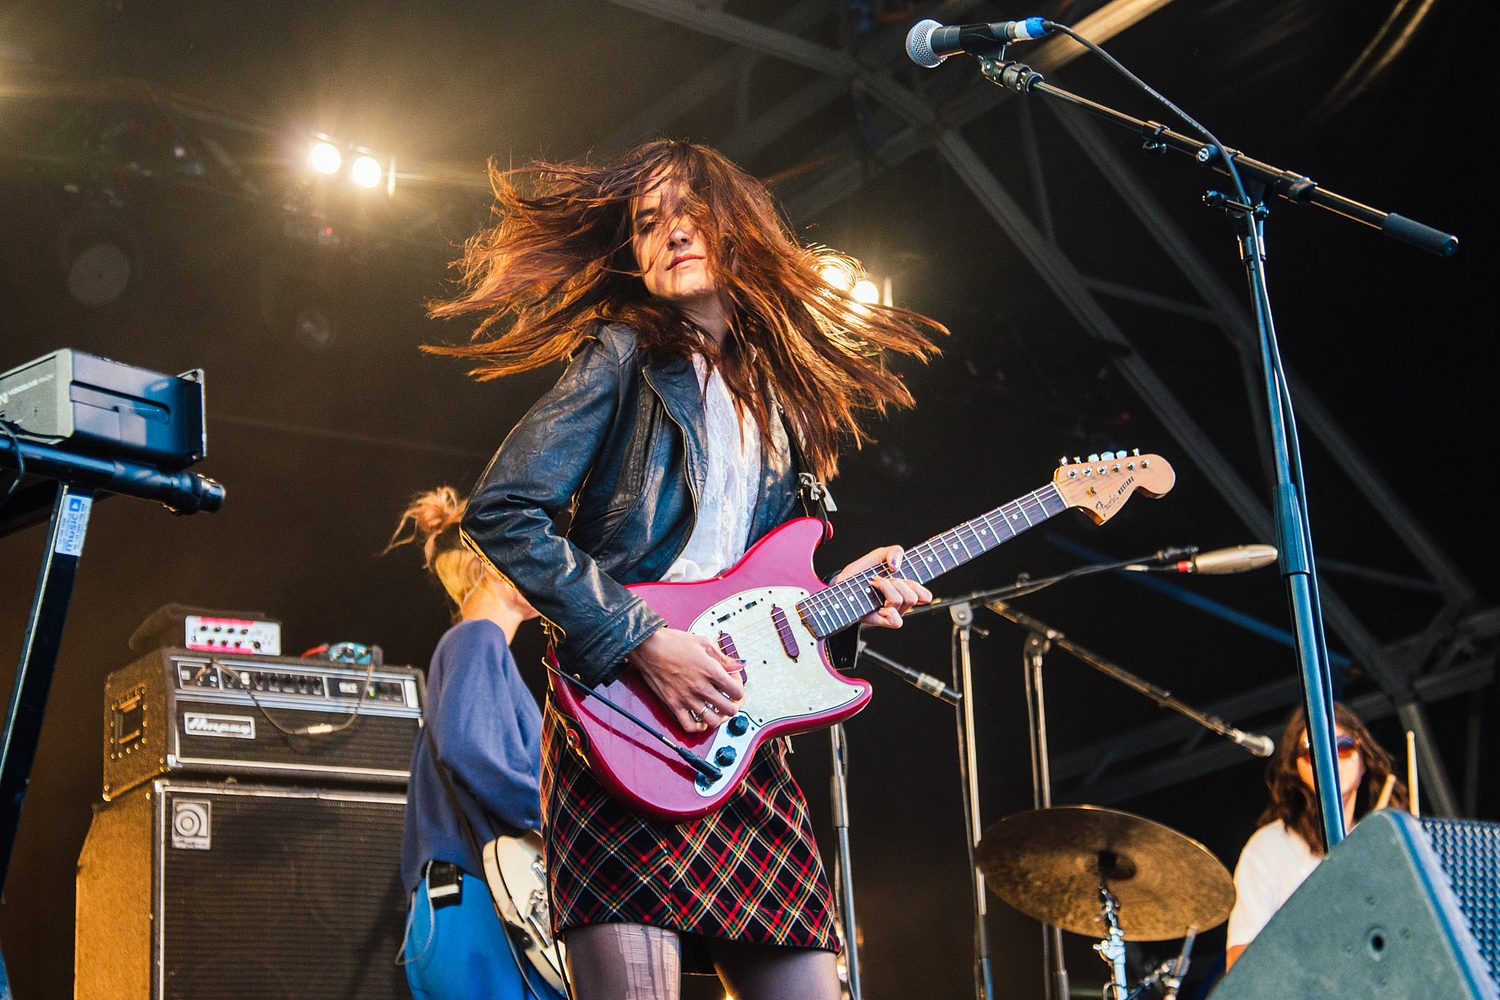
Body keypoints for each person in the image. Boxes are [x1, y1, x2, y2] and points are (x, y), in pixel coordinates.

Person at [427, 139, 946, 1000]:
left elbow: (754, 584)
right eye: (646, 223)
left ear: (740, 227)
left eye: (690, 214)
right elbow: (503, 511)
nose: (669, 233)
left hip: (733, 731)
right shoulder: (621, 353)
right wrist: (640, 639)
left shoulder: (780, 395)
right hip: (623, 722)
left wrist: (841, 602)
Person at [389, 486, 560, 1000]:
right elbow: (468, 748)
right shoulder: (476, 638)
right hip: (476, 904)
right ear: (493, 566)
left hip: (464, 904)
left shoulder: (480, 647)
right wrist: (557, 819)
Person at [1225, 702, 1409, 969]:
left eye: (1343, 746)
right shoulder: (1269, 847)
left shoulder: (1384, 845)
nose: (1330, 758)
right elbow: (1241, 962)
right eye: (1314, 751)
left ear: (1363, 760)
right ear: (1295, 767)